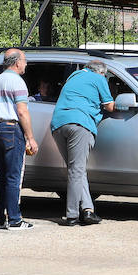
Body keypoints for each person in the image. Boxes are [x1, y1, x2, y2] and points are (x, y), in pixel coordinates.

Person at [50, 60, 114, 226]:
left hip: (58, 124)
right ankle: (72, 215)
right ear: (101, 72)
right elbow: (110, 106)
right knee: (76, 171)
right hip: (80, 123)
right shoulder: (98, 78)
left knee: (76, 170)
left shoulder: (74, 76)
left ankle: (88, 210)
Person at [0, 48, 38, 231]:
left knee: (0, 177)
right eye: (24, 60)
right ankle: (15, 220)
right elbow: (22, 111)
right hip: (11, 128)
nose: (26, 64)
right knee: (13, 177)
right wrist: (30, 138)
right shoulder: (17, 82)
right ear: (17, 62)